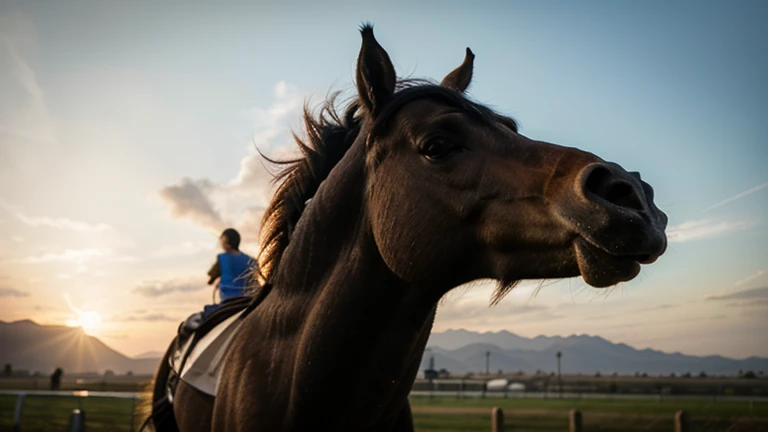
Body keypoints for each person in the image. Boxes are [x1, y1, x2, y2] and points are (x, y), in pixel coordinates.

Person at [178, 228, 255, 343]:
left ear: (227, 243)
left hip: (227, 304)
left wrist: (217, 279)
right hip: (249, 303)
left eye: (222, 240)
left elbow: (210, 279)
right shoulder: (251, 260)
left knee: (190, 324)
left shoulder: (222, 258)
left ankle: (182, 354)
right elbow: (254, 281)